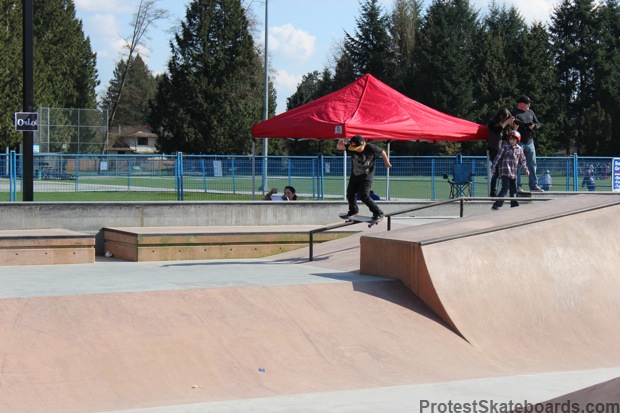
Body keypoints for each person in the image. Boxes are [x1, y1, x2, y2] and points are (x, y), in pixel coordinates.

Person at [337, 135, 392, 221]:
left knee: (364, 195)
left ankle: (378, 213)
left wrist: (387, 163)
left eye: (358, 148)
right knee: (350, 193)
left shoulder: (371, 147)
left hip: (367, 176)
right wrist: (339, 143)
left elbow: (383, 152)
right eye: (355, 149)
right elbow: (340, 147)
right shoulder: (352, 147)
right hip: (355, 175)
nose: (356, 150)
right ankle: (353, 210)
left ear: (363, 144)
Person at [491, 130, 529, 210]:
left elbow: (523, 160)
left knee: (514, 189)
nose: (511, 141)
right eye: (510, 139)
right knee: (505, 188)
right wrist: (493, 167)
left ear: (517, 140)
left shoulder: (519, 149)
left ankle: (514, 205)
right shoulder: (505, 147)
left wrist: (526, 169)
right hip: (505, 172)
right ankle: (497, 204)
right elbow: (498, 157)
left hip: (513, 173)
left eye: (513, 139)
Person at [512, 95, 543, 192]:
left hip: (530, 142)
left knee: (532, 164)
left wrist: (533, 126)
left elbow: (538, 123)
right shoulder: (514, 113)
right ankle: (517, 186)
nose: (529, 105)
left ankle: (534, 185)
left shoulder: (531, 112)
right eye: (527, 104)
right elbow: (512, 125)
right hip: (519, 142)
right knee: (517, 164)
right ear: (521, 104)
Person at [487, 108, 515, 196]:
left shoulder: (505, 127)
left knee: (502, 172)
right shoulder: (492, 123)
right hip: (494, 149)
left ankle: (500, 191)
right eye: (505, 118)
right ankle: (493, 192)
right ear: (501, 116)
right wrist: (506, 122)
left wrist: (514, 128)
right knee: (496, 172)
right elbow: (497, 130)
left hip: (503, 151)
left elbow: (509, 138)